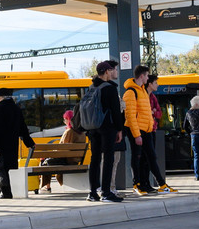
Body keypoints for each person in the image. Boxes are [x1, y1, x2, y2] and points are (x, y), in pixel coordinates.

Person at [123, 65, 177, 195]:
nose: (148, 78)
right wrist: (136, 135)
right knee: (136, 158)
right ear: (142, 76)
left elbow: (147, 113)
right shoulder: (131, 92)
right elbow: (130, 116)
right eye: (147, 75)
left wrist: (149, 126)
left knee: (150, 157)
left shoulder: (142, 91)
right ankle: (137, 184)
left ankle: (160, 184)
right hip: (137, 131)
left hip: (146, 130)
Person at [0, 88, 35, 199]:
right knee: (6, 169)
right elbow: (23, 128)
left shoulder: (0, 109)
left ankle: (6, 193)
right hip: (12, 146)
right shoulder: (16, 109)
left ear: (0, 97)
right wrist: (29, 143)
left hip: (0, 146)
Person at [86, 60, 124, 203]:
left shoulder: (91, 87)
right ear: (107, 71)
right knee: (108, 159)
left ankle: (92, 192)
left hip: (92, 128)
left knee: (94, 159)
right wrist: (119, 129)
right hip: (107, 127)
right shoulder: (109, 88)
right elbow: (115, 111)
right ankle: (106, 192)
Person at [39, 109, 86, 193]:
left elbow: (61, 149)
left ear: (69, 119)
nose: (64, 121)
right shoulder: (82, 133)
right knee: (48, 160)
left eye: (65, 119)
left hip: (66, 161)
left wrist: (49, 154)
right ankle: (55, 184)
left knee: (44, 161)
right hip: (75, 161)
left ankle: (47, 187)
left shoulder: (69, 132)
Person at [138, 74, 162, 191]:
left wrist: (153, 112)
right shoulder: (142, 96)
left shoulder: (153, 97)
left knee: (148, 158)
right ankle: (144, 183)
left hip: (152, 129)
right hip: (143, 130)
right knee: (145, 157)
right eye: (156, 83)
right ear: (150, 84)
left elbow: (159, 113)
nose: (157, 85)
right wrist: (151, 112)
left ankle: (147, 183)